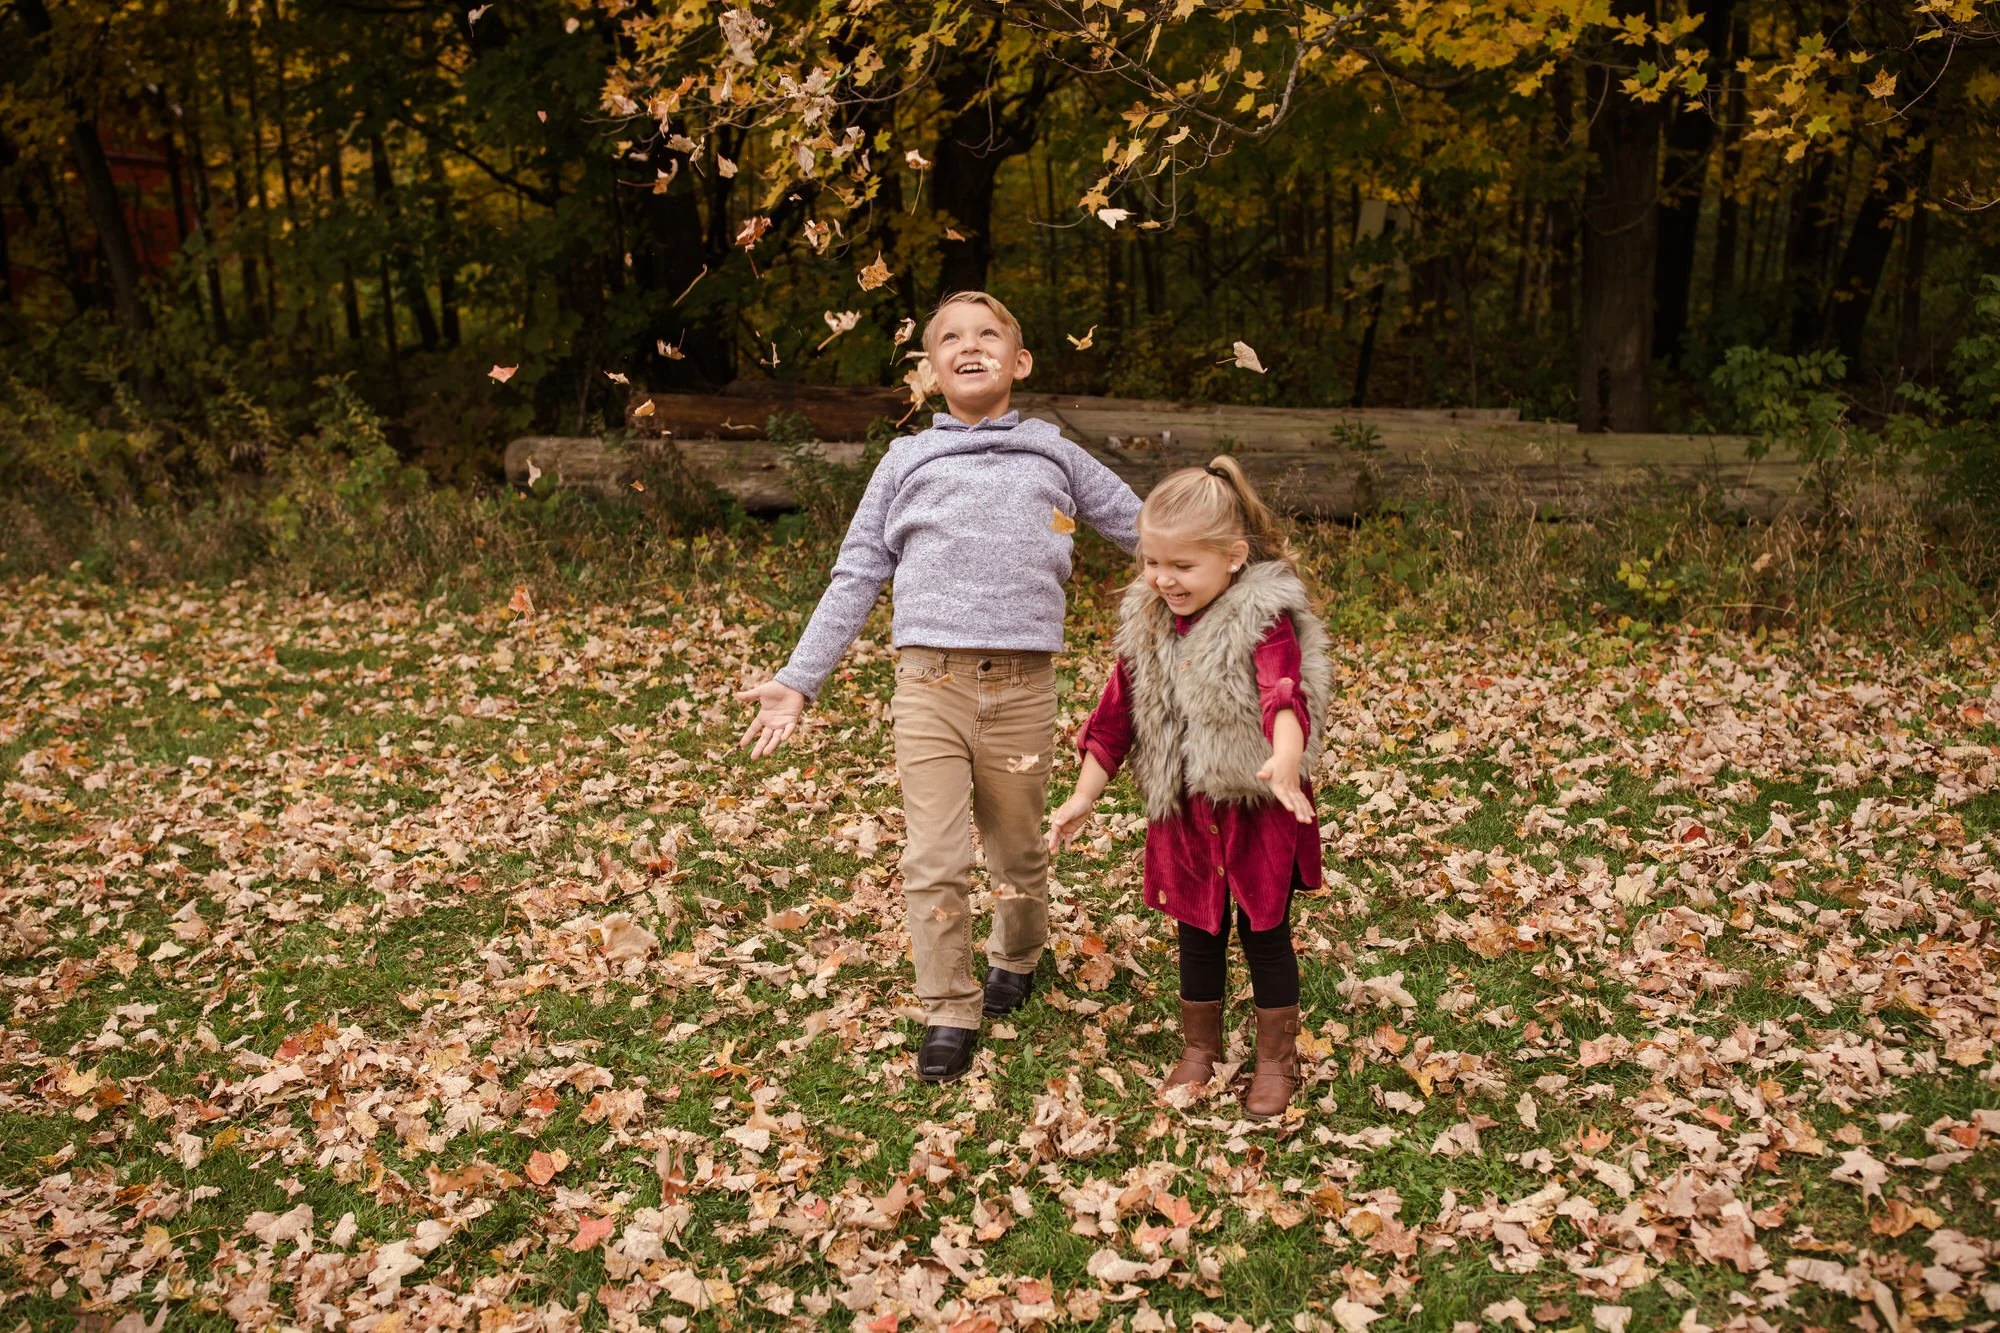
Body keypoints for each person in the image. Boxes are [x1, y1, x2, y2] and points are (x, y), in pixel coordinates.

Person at [735, 291, 1143, 1084]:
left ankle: (1017, 954)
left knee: (1020, 846)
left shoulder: (1053, 453)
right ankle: (948, 1005)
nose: (970, 345)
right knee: (935, 854)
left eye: (988, 334)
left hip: (1025, 687)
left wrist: (1230, 564)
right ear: (929, 372)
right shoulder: (907, 461)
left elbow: (1142, 526)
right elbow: (857, 573)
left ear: (1019, 362)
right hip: (930, 684)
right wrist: (798, 680)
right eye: (950, 337)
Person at [1048, 456, 1331, 1118]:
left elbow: (1282, 692)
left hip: (1257, 802)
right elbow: (1114, 717)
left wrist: (1286, 757)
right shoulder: (1147, 621)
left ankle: (1273, 1058)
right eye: (1153, 562)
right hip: (1182, 810)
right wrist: (1084, 795)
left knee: (1265, 930)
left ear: (1233, 557)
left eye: (1182, 566)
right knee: (1197, 929)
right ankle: (1199, 1050)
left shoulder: (1262, 617)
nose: (1163, 579)